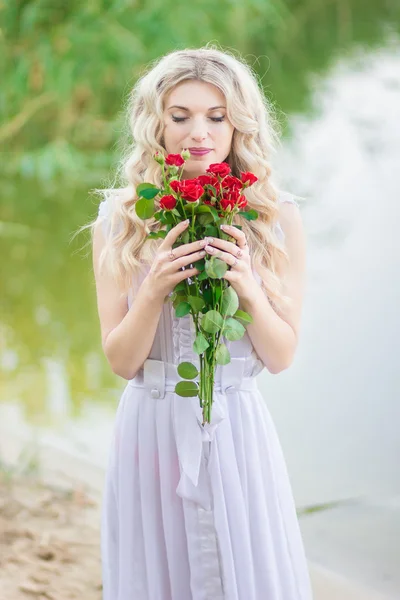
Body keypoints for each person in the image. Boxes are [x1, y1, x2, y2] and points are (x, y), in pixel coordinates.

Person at [91, 45, 312, 600]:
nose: (199, 134)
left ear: (239, 125)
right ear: (155, 123)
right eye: (180, 115)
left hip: (236, 426)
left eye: (216, 117)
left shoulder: (273, 216)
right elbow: (121, 362)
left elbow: (281, 356)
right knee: (158, 573)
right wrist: (155, 288)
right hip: (152, 426)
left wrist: (247, 287)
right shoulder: (121, 219)